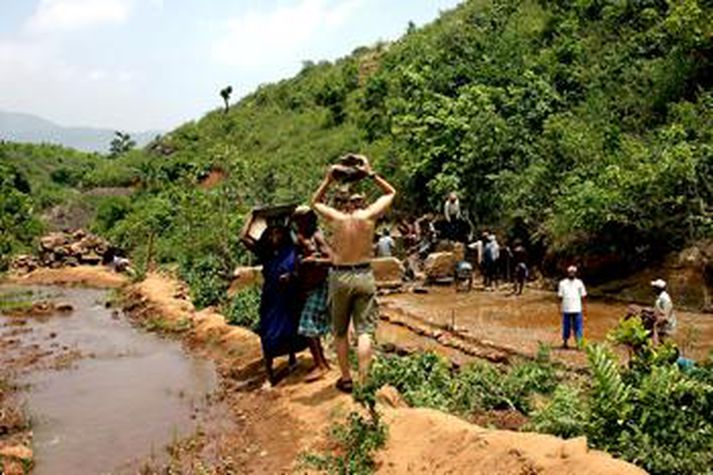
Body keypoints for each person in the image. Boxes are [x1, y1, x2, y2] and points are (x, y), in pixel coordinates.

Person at [311, 155, 396, 393]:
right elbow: (391, 193)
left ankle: (346, 379)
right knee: (365, 332)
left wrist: (328, 180)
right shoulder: (368, 216)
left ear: (342, 205)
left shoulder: (336, 219)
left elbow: (315, 202)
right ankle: (365, 382)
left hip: (340, 276)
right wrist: (371, 174)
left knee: (340, 332)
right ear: (358, 203)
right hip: (364, 275)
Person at [254, 223, 307, 385]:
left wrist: (291, 276)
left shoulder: (292, 249)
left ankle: (292, 359)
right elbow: (244, 238)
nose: (274, 237)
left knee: (290, 329)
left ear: (284, 234)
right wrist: (253, 218)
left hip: (289, 297)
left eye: (278, 233)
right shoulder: (265, 253)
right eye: (271, 234)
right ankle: (269, 374)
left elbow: (302, 269)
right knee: (268, 333)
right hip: (271, 299)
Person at [293, 206, 333, 381]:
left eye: (300, 221)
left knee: (307, 325)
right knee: (312, 325)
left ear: (308, 221)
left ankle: (321, 365)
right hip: (311, 287)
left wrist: (314, 261)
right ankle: (322, 362)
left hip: (321, 286)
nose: (298, 225)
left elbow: (333, 259)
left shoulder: (317, 236)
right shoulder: (303, 237)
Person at [558, 265, 587, 349]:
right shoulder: (562, 283)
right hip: (566, 309)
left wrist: (585, 309)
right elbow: (560, 297)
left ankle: (579, 344)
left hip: (577, 309)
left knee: (578, 327)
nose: (571, 273)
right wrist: (559, 308)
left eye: (573, 272)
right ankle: (565, 342)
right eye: (570, 272)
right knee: (566, 326)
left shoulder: (579, 283)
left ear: (575, 273)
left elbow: (583, 297)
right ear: (567, 273)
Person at [651, 279, 676, 344]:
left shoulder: (665, 299)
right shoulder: (660, 298)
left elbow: (666, 315)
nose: (653, 289)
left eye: (654, 288)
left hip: (666, 327)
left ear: (658, 289)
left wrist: (656, 325)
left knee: (665, 344)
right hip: (663, 326)